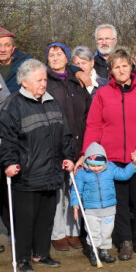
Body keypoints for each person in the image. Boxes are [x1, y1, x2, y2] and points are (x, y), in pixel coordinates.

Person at [0, 59, 75, 272]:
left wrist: (68, 156)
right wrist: (10, 162)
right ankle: (23, 258)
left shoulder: (52, 102)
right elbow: (6, 139)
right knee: (25, 219)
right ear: (24, 82)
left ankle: (42, 253)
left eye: (45, 79)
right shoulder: (13, 105)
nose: (43, 84)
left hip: (51, 172)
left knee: (45, 217)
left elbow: (65, 135)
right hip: (26, 174)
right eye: (39, 80)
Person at [83, 50, 136, 260]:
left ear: (131, 67)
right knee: (119, 201)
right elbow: (94, 125)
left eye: (125, 66)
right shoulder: (102, 94)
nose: (121, 70)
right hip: (112, 158)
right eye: (117, 67)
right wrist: (87, 153)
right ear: (111, 71)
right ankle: (125, 241)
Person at [45, 42, 92, 252]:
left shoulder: (77, 82)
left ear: (67, 58)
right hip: (56, 146)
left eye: (59, 53)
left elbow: (89, 112)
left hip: (78, 144)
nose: (55, 57)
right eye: (51, 55)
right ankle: (58, 233)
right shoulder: (45, 82)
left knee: (76, 190)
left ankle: (74, 231)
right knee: (58, 192)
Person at [71, 142, 136, 264]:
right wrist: (75, 204)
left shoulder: (110, 168)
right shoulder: (82, 173)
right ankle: (93, 251)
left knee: (106, 231)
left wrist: (133, 166)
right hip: (91, 209)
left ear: (104, 162)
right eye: (92, 166)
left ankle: (104, 251)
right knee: (93, 231)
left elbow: (123, 175)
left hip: (109, 208)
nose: (96, 169)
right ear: (86, 162)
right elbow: (76, 189)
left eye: (99, 166)